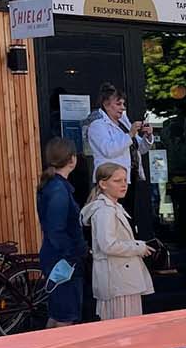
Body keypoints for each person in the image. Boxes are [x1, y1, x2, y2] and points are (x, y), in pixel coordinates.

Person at [81, 162, 154, 320]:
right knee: (123, 328)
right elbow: (108, 245)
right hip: (117, 280)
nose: (123, 185)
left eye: (125, 180)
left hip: (122, 278)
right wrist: (138, 247)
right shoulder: (105, 211)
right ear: (103, 184)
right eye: (117, 181)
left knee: (129, 327)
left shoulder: (114, 207)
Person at [36, 137, 85, 329]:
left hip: (56, 257)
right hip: (63, 260)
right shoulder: (58, 189)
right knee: (66, 315)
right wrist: (73, 254)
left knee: (58, 313)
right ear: (72, 159)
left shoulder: (52, 185)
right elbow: (56, 229)